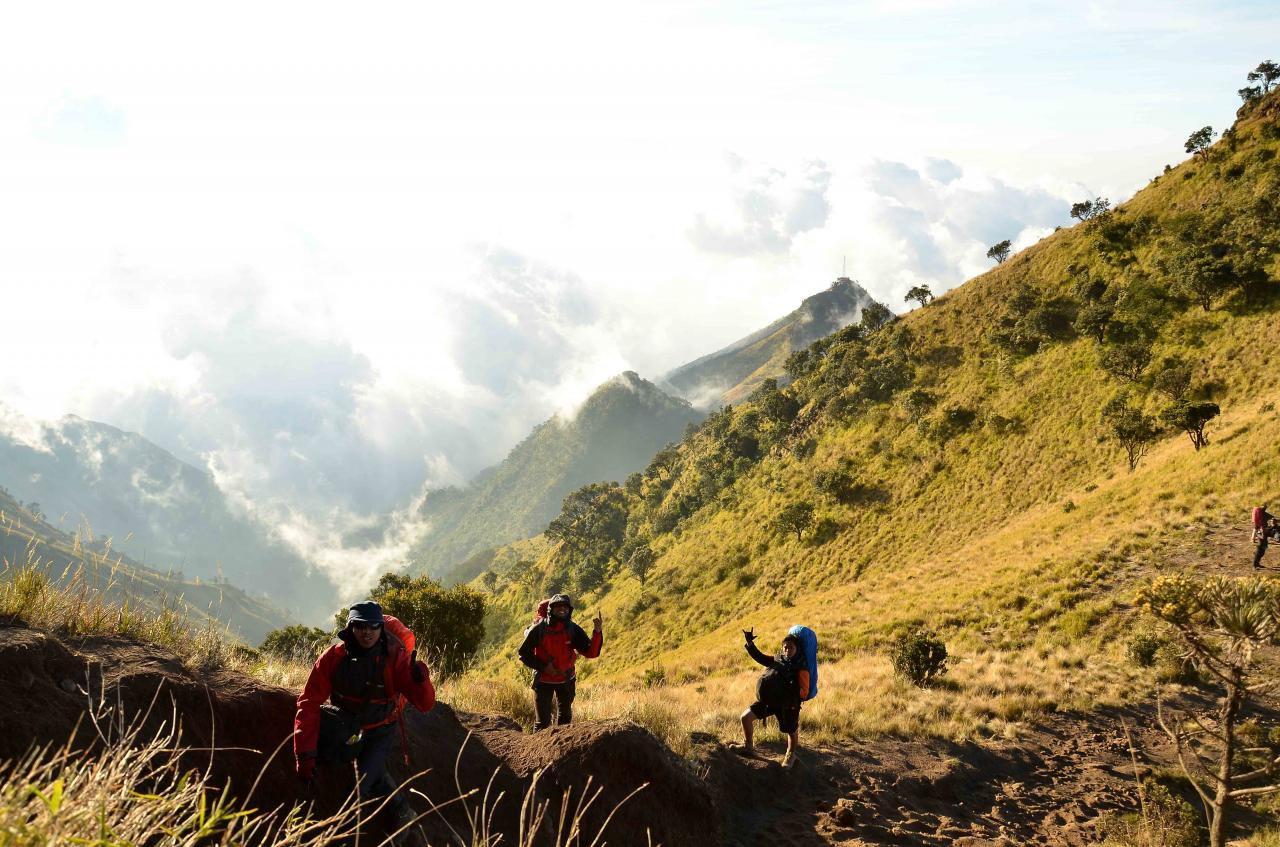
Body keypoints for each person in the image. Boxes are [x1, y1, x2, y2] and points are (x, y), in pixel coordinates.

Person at [294, 601, 435, 830]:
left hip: (380, 730)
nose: (367, 631)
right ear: (350, 628)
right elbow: (309, 703)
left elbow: (425, 704)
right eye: (360, 626)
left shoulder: (395, 659)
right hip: (347, 724)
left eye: (373, 626)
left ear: (381, 629)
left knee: (359, 788)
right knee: (341, 761)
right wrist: (305, 754)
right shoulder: (333, 658)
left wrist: (421, 681)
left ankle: (401, 811)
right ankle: (394, 802)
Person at [517, 594, 602, 730]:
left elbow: (591, 653)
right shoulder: (539, 629)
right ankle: (540, 750)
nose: (562, 609)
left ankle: (562, 750)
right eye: (558, 607)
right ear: (551, 609)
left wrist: (597, 633)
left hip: (566, 680)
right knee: (542, 724)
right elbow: (523, 653)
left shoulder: (573, 629)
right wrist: (544, 667)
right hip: (544, 681)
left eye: (565, 607)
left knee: (565, 721)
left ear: (569, 610)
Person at [738, 627, 809, 769]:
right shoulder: (778, 659)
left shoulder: (801, 667)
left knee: (791, 730)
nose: (787, 650)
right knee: (745, 718)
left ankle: (791, 754)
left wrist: (791, 690)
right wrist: (750, 644)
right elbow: (761, 658)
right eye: (785, 647)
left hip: (787, 706)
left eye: (791, 647)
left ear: (797, 649)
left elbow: (804, 692)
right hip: (768, 701)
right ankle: (748, 747)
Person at [1255, 504, 1278, 569]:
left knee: (1262, 553)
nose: (1265, 508)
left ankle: (1257, 564)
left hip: (1263, 537)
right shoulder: (1259, 514)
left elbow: (1272, 518)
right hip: (1261, 540)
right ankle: (1255, 565)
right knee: (1259, 552)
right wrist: (1262, 535)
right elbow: (1259, 533)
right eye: (1264, 507)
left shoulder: (1262, 514)